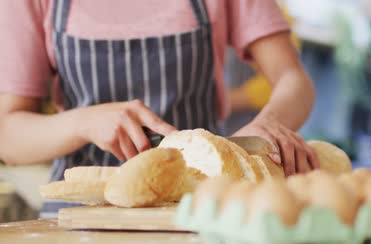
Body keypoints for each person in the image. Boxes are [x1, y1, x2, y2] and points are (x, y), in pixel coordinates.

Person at [0, 0, 317, 216]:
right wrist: (82, 122)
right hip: (76, 221)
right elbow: (7, 133)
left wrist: (270, 122)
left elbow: (294, 79)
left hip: (196, 213)